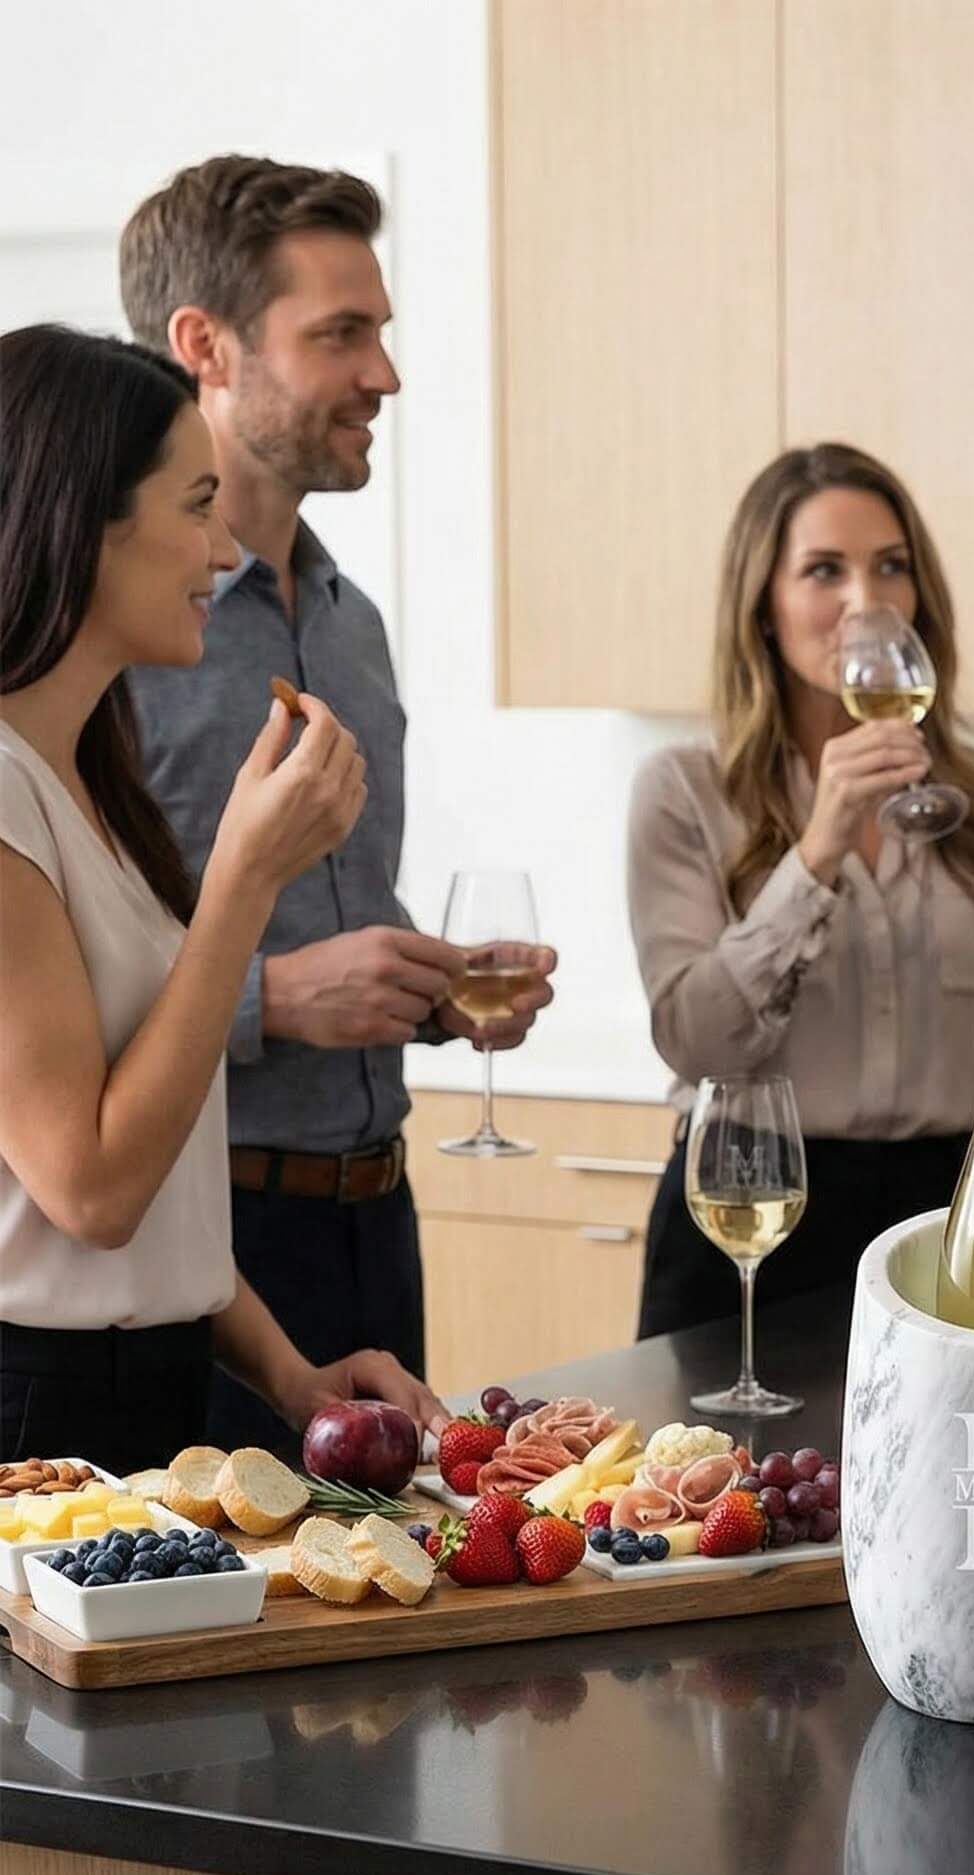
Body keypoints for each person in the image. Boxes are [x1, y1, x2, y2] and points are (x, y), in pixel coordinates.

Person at [117, 157, 555, 1455]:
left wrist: (428, 990)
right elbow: (49, 1005)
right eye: (340, 336)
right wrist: (283, 997)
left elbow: (326, 912)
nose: (385, 375)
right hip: (203, 1246)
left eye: (382, 333)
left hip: (380, 1225)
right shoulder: (110, 640)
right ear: (206, 345)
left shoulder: (352, 623)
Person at [0, 324, 446, 1472]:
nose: (221, 548)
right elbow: (91, 1190)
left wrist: (293, 1377)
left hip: (148, 1383)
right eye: (197, 505)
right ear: (77, 520)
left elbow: (156, 1199)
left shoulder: (85, 780)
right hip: (37, 1413)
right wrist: (246, 879)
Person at [627, 443, 974, 1335]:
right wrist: (815, 852)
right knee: (728, 1477)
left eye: (892, 567)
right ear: (765, 608)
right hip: (752, 1208)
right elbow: (695, 1042)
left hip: (948, 1219)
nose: (869, 602)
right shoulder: (683, 792)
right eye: (825, 571)